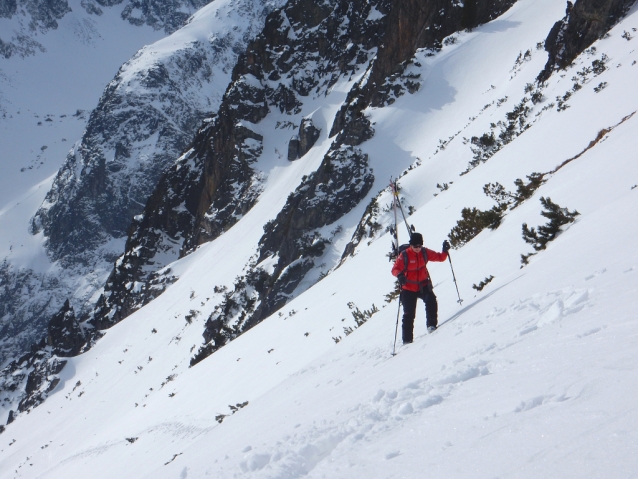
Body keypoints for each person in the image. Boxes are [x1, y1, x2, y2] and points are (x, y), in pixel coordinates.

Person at [391, 232, 450, 344]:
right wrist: (399, 275)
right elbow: (394, 269)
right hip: (408, 288)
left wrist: (445, 251)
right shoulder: (404, 255)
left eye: (419, 246)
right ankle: (407, 340)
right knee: (409, 313)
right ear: (411, 245)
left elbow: (439, 257)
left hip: (423, 285)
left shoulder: (424, 252)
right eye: (415, 246)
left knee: (431, 301)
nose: (418, 248)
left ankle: (431, 325)